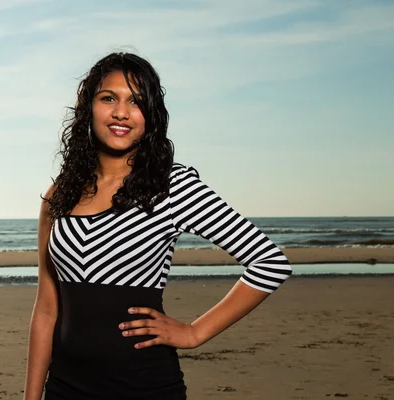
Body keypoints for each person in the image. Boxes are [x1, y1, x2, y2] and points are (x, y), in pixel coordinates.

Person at [23, 52, 292, 400]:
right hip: (65, 388)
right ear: (88, 108)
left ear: (150, 115)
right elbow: (46, 309)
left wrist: (194, 332)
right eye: (109, 98)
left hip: (145, 387)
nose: (121, 112)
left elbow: (269, 263)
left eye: (136, 101)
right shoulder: (58, 194)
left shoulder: (171, 185)